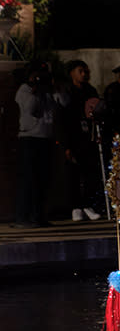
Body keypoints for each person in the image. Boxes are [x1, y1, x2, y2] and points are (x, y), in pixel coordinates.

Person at [13, 61, 57, 228]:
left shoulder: (46, 91)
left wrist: (52, 87)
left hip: (45, 138)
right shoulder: (24, 90)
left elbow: (59, 105)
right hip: (29, 138)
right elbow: (30, 108)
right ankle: (22, 216)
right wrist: (35, 90)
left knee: (43, 180)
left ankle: (38, 215)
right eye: (36, 74)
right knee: (28, 179)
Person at [59, 60, 103, 221]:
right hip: (73, 137)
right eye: (80, 71)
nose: (84, 74)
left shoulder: (90, 90)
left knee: (90, 173)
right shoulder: (66, 92)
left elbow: (97, 110)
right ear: (71, 73)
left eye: (86, 71)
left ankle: (87, 205)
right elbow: (63, 119)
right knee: (73, 174)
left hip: (88, 137)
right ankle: (75, 207)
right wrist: (66, 145)